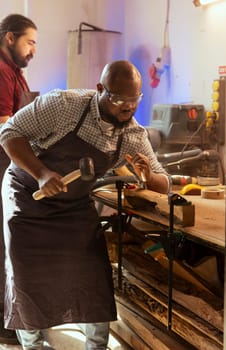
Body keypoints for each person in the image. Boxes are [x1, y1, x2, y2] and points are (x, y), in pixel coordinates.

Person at [0, 60, 170, 350]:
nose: (127, 108)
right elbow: (9, 133)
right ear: (100, 89)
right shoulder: (63, 105)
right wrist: (41, 174)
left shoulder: (132, 135)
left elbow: (164, 182)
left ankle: (97, 347)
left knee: (93, 275)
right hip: (28, 195)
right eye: (119, 100)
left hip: (74, 205)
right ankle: (34, 346)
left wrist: (147, 175)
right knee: (27, 275)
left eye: (134, 100)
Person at [0, 13, 37, 345]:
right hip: (2, 165)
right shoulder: (0, 71)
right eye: (29, 42)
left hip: (11, 166)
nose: (33, 50)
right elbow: (4, 127)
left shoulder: (15, 74)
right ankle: (6, 323)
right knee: (4, 247)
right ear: (9, 38)